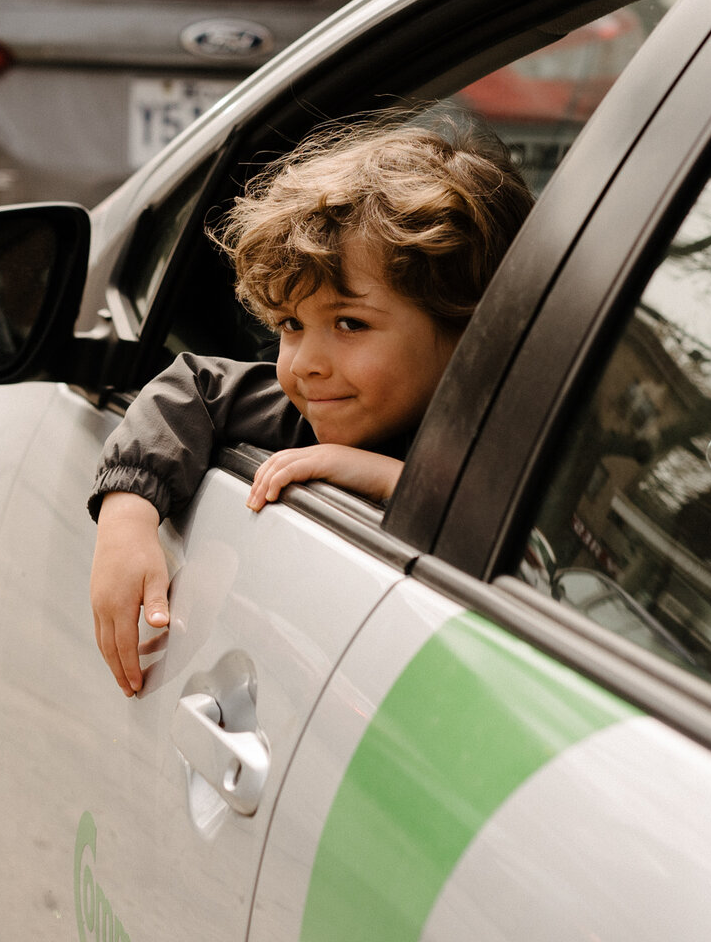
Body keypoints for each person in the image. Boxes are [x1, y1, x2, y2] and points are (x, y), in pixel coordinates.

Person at [87, 116, 534, 694]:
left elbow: (529, 540)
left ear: (471, 331)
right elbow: (192, 387)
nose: (304, 364)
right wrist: (126, 517)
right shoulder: (307, 410)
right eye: (290, 325)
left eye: (350, 323)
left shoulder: (516, 446)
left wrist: (390, 480)